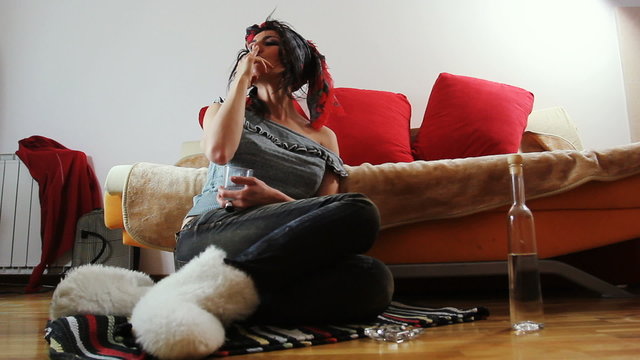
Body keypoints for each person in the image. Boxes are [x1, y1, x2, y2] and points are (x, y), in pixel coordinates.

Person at [173, 18, 394, 325]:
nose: (255, 48)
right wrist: (240, 80)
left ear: (294, 59)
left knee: (374, 279)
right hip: (212, 232)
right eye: (251, 45)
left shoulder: (324, 138)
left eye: (269, 42)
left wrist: (273, 199)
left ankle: (222, 302)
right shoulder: (225, 111)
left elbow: (324, 213)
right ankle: (218, 292)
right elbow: (219, 152)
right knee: (361, 210)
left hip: (276, 247)